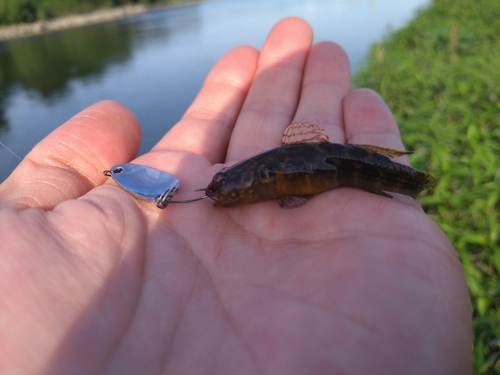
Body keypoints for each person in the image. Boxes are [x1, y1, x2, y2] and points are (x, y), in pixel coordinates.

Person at [0, 17, 471, 375]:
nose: (218, 194)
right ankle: (406, 181)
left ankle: (407, 181)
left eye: (229, 188)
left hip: (349, 167)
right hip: (335, 167)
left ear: (267, 185)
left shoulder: (263, 180)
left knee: (374, 171)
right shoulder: (247, 183)